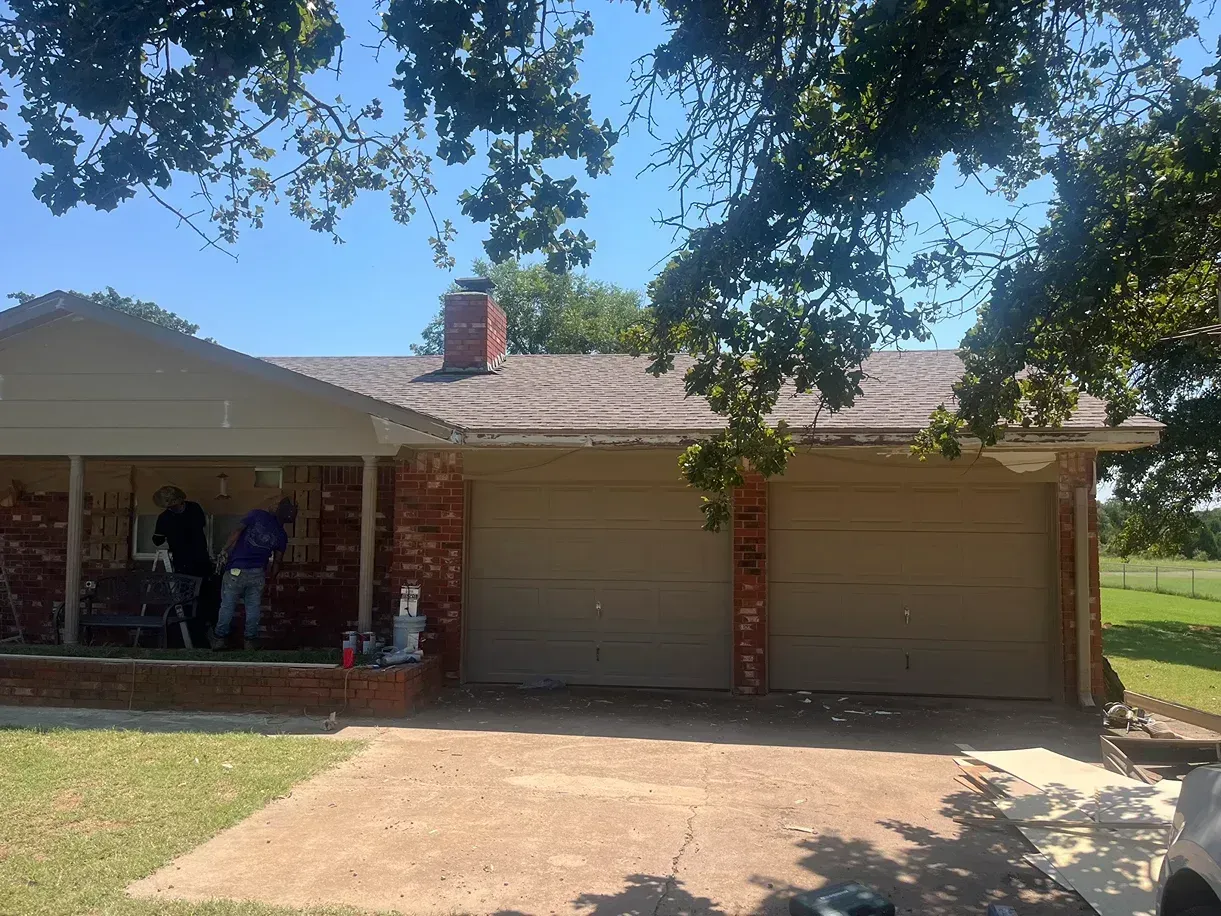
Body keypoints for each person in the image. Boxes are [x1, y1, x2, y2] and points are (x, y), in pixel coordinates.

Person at [209, 497, 296, 651]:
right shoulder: (282, 535)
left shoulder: (256, 514)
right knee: (253, 608)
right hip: (257, 573)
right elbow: (277, 562)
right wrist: (271, 580)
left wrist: (224, 549)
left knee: (227, 606)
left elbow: (237, 531)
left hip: (236, 569)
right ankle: (250, 641)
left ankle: (219, 639)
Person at [151, 485, 215, 646]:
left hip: (200, 560)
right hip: (182, 563)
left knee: (206, 599)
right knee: (187, 601)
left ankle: (208, 633)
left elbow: (199, 525)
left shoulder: (193, 509)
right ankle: (193, 637)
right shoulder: (165, 517)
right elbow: (157, 539)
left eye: (173, 502)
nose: (172, 506)